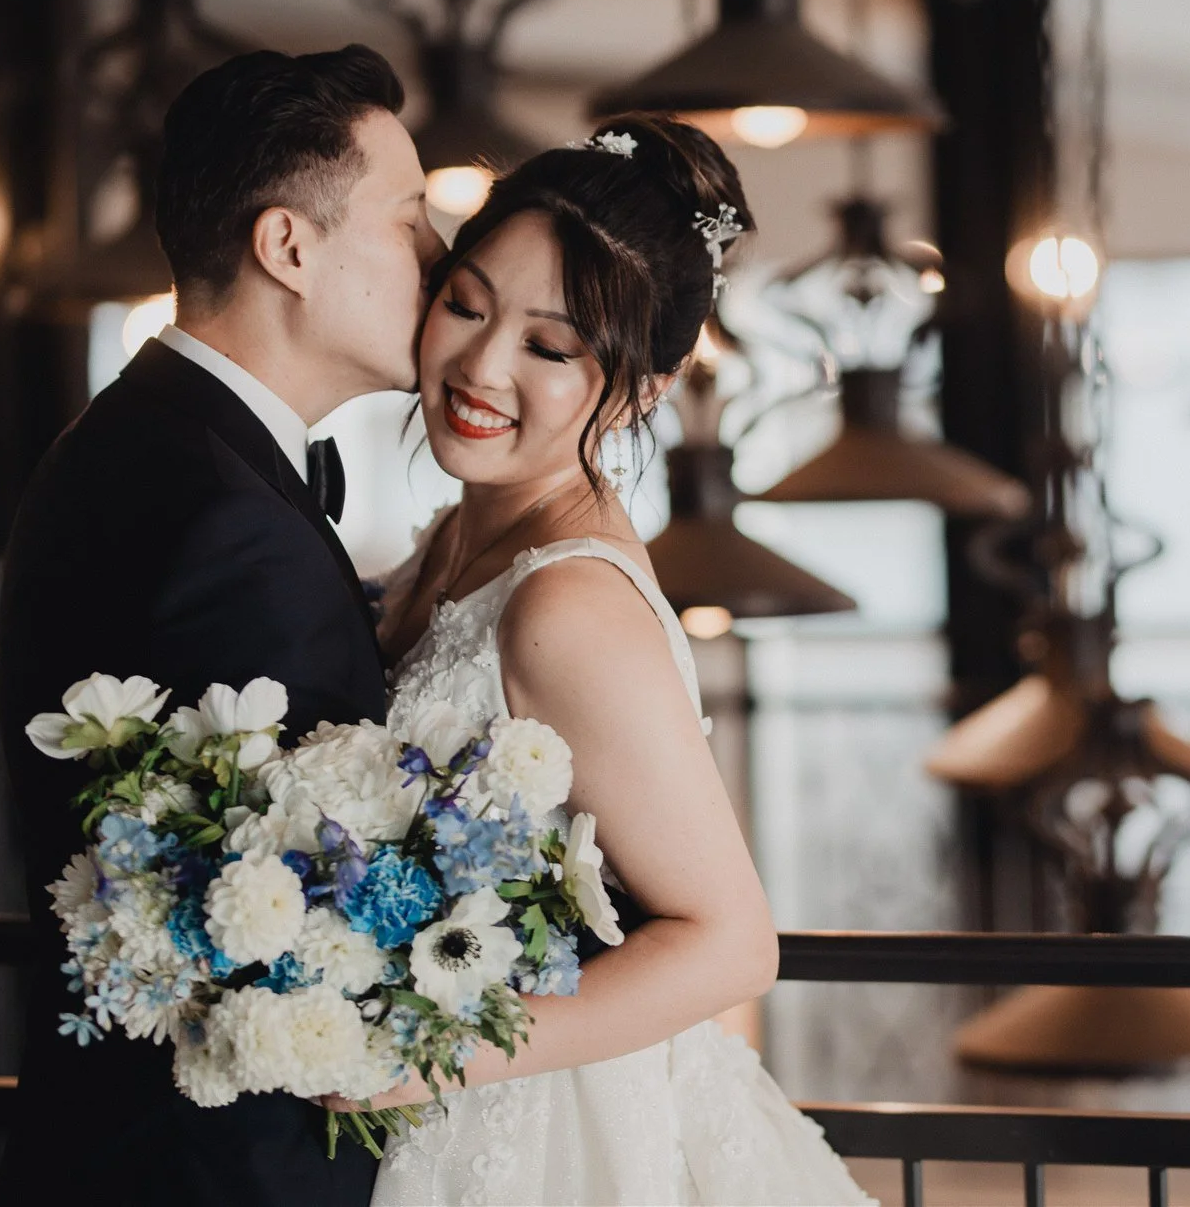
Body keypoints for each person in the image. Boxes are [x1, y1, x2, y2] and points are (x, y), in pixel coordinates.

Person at [351, 115, 873, 1206]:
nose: (481, 365)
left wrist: (421, 1053)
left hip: (547, 1134)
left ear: (642, 386)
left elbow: (730, 944)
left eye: (549, 348)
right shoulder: (458, 537)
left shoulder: (565, 601)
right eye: (466, 303)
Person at [0, 45, 443, 1207]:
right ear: (288, 245)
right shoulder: (221, 515)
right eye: (409, 221)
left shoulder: (149, 446)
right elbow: (278, 912)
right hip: (216, 1168)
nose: (439, 261)